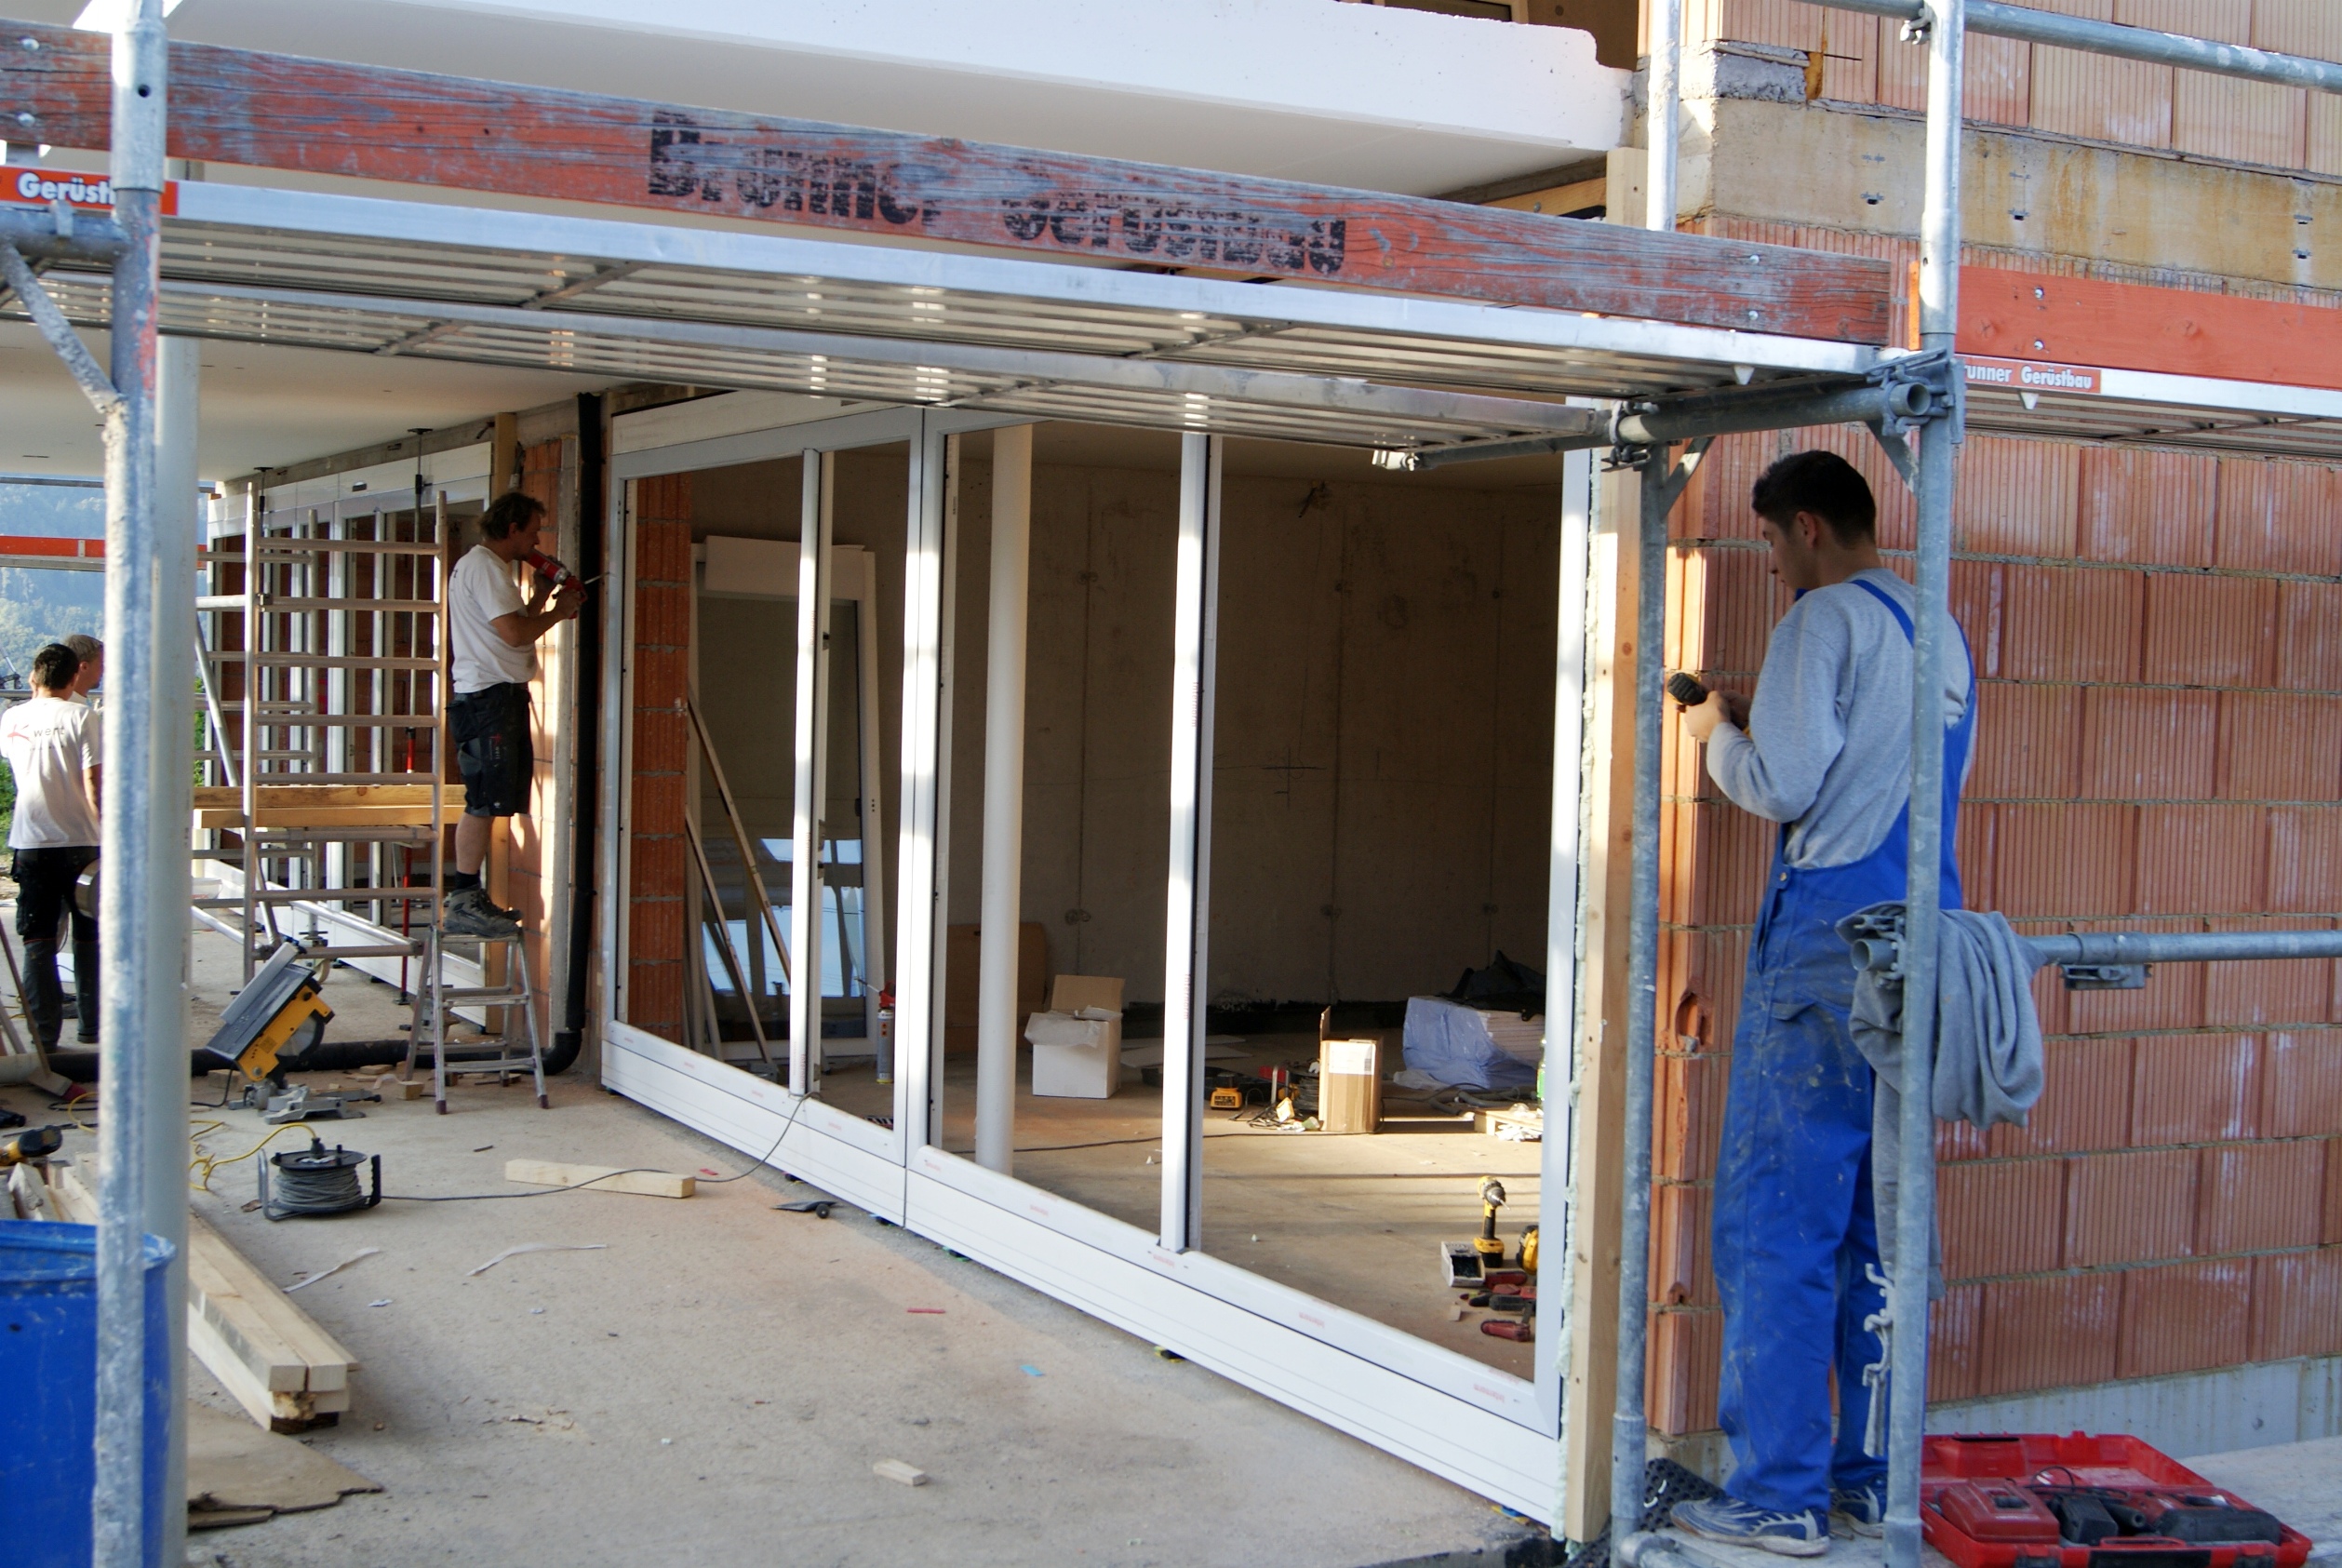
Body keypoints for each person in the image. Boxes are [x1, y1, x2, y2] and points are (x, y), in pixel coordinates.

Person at [1669, 451, 1975, 1555]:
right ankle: (1864, 1481)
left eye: (1769, 540)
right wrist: (1771, 721)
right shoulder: (1935, 626)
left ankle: (1778, 1493)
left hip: (1825, 946)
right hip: (1917, 943)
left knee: (1775, 1221)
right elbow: (1873, 764)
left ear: (1806, 525)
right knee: (1872, 1223)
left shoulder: (1820, 620)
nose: (1770, 562)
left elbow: (1785, 785)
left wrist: (1714, 736)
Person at [444, 491, 579, 939]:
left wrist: (539, 598)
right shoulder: (485, 567)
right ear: (513, 529)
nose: (537, 541)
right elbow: (516, 634)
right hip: (488, 699)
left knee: (490, 800)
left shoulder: (485, 568)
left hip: (493, 696)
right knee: (483, 801)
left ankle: (468, 893)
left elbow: (510, 628)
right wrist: (559, 612)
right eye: (534, 531)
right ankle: (463, 898)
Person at [0, 643, 102, 1051]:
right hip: (82, 841)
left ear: (34, 677)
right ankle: (91, 1027)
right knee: (89, 936)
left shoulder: (12, 717)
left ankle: (44, 1038)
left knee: (37, 940)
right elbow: (93, 781)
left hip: (32, 842)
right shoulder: (82, 716)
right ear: (74, 677)